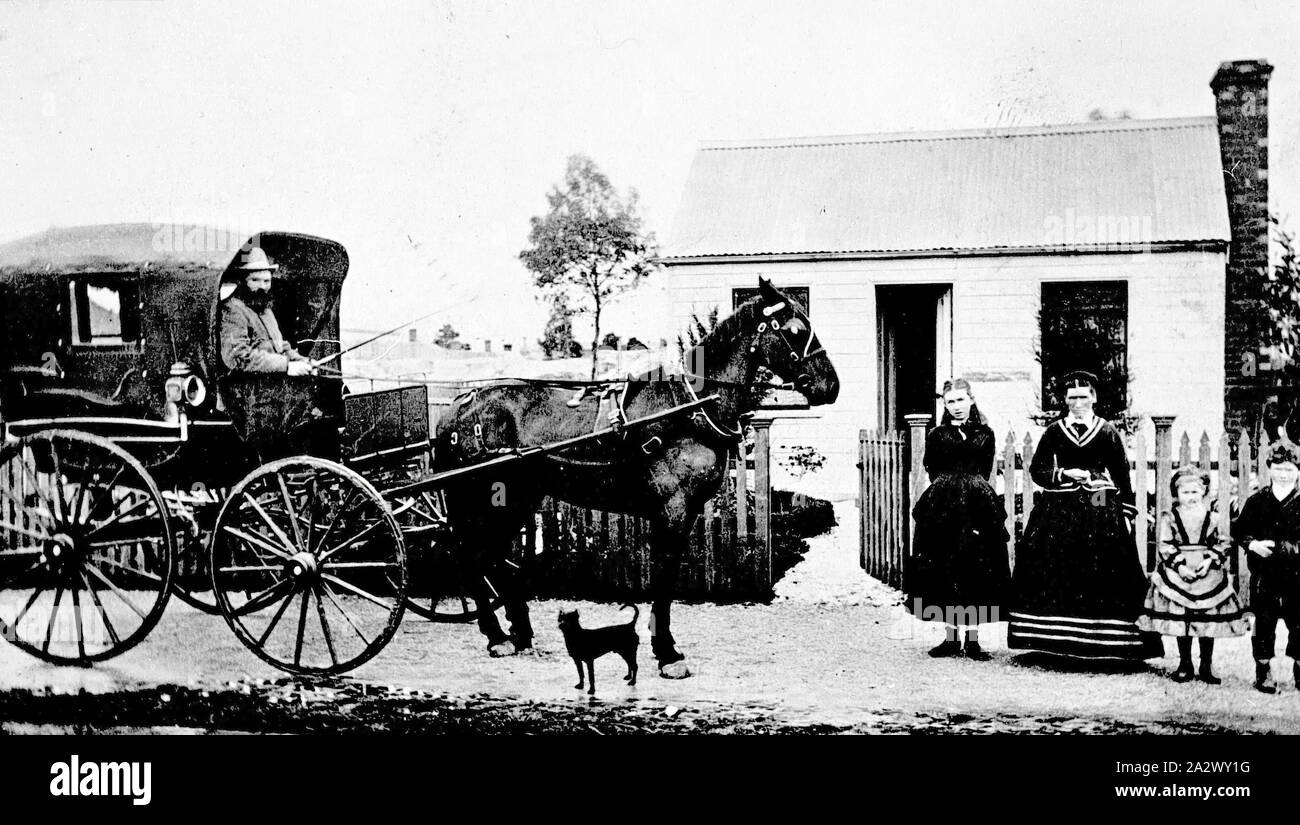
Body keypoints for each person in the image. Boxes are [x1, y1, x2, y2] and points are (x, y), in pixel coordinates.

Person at [1007, 371, 1163, 660]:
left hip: (1099, 500)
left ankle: (1106, 643)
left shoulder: (1107, 432)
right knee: (1056, 563)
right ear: (1064, 400)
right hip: (1060, 505)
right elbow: (1038, 470)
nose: (1077, 403)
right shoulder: (1055, 431)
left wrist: (1125, 512)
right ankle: (1055, 641)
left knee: (1105, 562)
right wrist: (1064, 473)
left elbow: (1121, 475)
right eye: (1072, 397)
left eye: (1083, 396)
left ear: (1093, 398)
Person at [907, 378, 1010, 659]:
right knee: (947, 565)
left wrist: (971, 488)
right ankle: (951, 638)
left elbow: (986, 469)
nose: (956, 407)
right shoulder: (937, 435)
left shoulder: (985, 433)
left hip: (977, 503)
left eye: (961, 400)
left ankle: (974, 640)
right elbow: (932, 469)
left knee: (976, 567)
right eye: (950, 402)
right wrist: (950, 489)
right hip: (944, 505)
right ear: (945, 404)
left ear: (971, 400)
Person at [1137, 467, 1249, 684]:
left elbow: (1223, 542)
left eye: (1195, 492)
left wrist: (1210, 561)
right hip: (1180, 572)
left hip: (1207, 574)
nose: (1191, 497)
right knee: (1184, 618)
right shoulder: (1170, 518)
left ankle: (1206, 663)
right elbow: (1165, 544)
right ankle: (1185, 662)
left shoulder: (1213, 518)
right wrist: (1179, 566)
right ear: (1176, 494)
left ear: (1204, 492)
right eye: (1185, 493)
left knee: (1206, 618)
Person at [1231, 441, 1300, 694]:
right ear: (1269, 468)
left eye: (1290, 469)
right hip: (1265, 575)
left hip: (1297, 574)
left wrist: (1283, 547)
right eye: (1279, 468)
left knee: (1299, 620)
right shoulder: (1258, 501)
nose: (1284, 474)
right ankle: (1264, 670)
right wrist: (1252, 545)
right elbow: (1239, 530)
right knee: (1264, 621)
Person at [219, 246, 314, 377]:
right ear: (242, 281)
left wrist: (302, 361)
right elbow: (238, 357)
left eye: (266, 281)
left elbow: (281, 347)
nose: (262, 287)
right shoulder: (233, 309)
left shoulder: (265, 310)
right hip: (247, 390)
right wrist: (286, 366)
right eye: (255, 280)